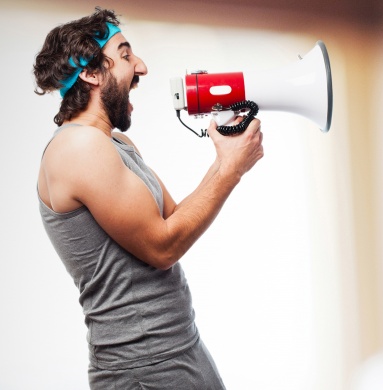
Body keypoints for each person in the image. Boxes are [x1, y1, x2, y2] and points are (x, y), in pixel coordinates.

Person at [33, 8, 263, 389]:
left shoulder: (114, 142)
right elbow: (163, 247)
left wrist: (227, 155)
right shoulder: (77, 148)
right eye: (125, 54)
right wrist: (230, 169)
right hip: (143, 369)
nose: (140, 67)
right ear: (91, 73)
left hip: (178, 348)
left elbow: (174, 219)